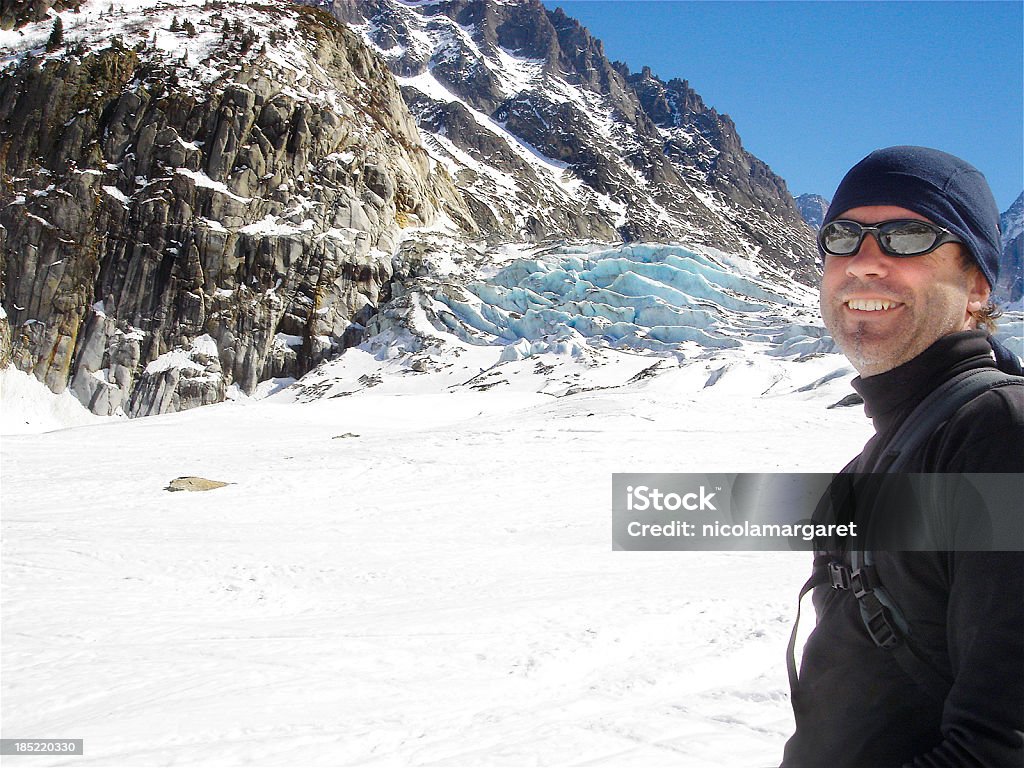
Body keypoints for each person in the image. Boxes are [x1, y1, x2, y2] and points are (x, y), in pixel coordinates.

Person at [780, 146, 1024, 767]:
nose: (864, 262)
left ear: (975, 287)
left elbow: (998, 750)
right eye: (842, 237)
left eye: (908, 236)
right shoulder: (894, 446)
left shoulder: (998, 434)